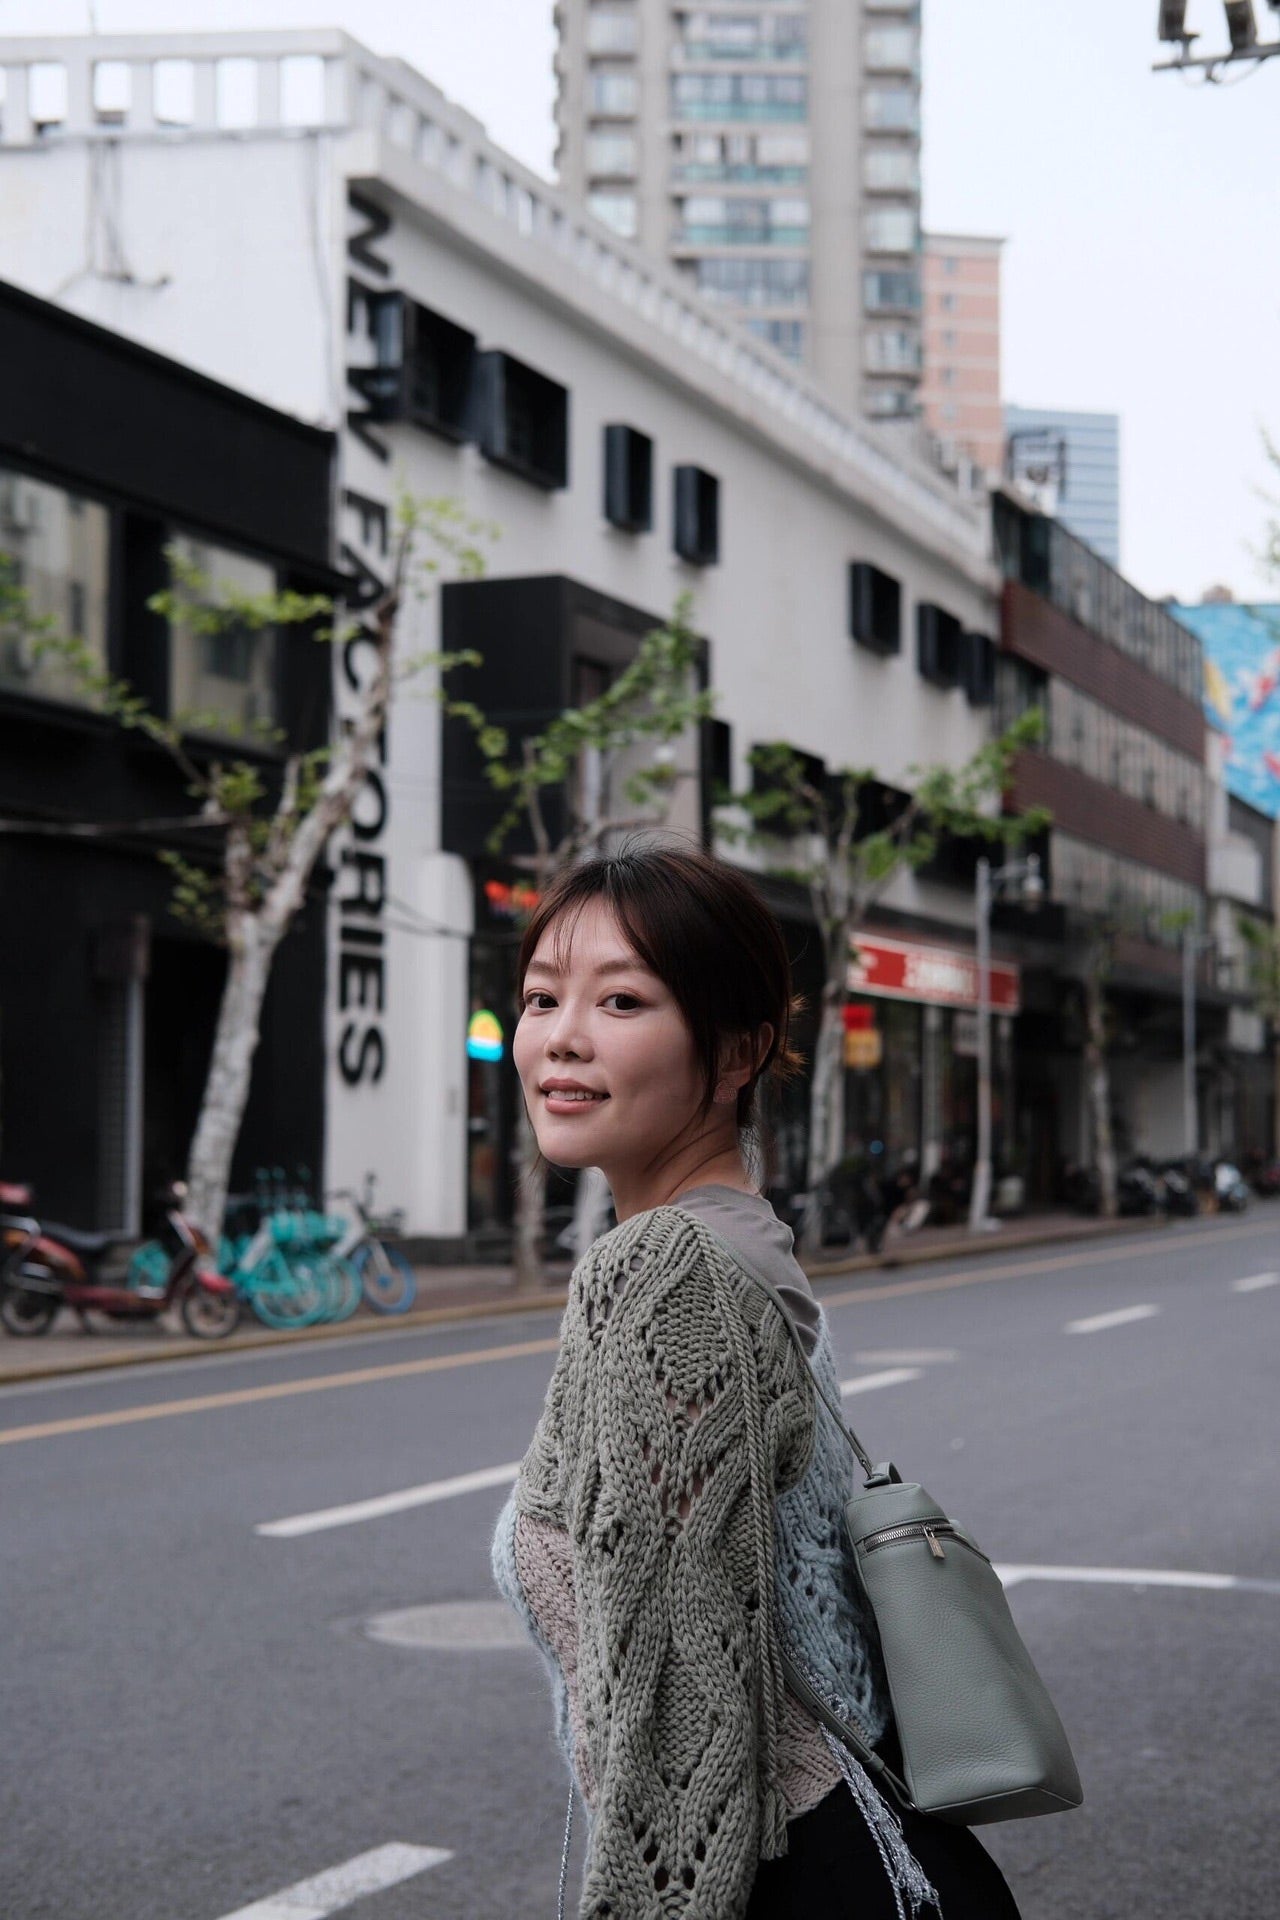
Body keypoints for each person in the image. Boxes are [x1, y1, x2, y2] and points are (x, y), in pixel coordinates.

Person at [492, 843, 1021, 1920]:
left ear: (737, 1050)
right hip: (870, 1852)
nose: (561, 1038)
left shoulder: (664, 1269)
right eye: (541, 997)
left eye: (623, 999)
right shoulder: (737, 1238)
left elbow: (683, 1705)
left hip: (794, 1875)